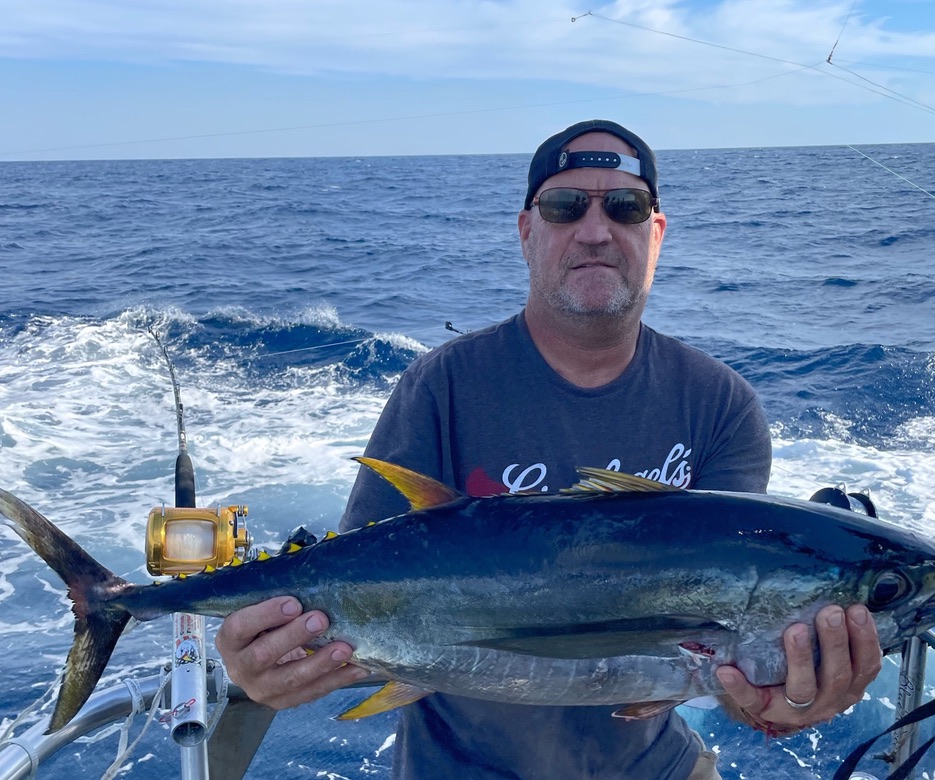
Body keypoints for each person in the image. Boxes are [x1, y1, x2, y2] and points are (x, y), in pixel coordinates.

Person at [216, 119, 883, 779]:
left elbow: (724, 667)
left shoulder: (719, 404)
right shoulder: (443, 386)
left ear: (656, 234)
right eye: (566, 207)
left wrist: (783, 702)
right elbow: (359, 602)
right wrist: (279, 666)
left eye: (625, 207)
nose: (595, 231)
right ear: (527, 232)